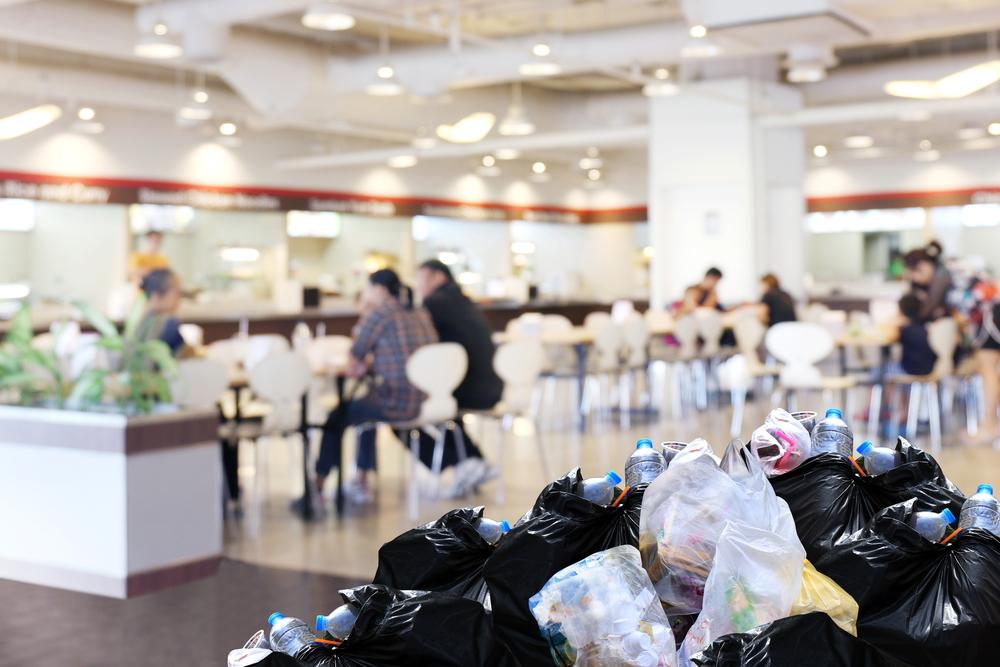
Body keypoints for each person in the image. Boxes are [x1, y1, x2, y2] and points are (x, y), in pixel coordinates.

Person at [311, 269, 437, 507]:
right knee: (365, 406)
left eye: (367, 288)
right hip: (429, 397)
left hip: (398, 400)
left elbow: (354, 362)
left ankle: (318, 483)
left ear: (378, 289)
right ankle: (361, 477)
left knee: (338, 415)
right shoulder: (419, 311)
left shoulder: (380, 314)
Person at [413, 259, 502, 496]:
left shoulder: (434, 303)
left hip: (467, 388)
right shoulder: (464, 300)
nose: (418, 285)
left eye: (421, 278)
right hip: (492, 385)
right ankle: (474, 462)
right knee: (441, 407)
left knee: (418, 405)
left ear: (438, 276)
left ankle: (462, 464)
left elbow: (425, 346)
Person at [136, 268, 185, 355]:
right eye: (177, 292)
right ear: (157, 295)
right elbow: (181, 354)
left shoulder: (140, 321)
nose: (179, 298)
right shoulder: (169, 324)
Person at [904, 248, 952, 322]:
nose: (915, 278)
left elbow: (927, 308)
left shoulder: (941, 275)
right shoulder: (922, 283)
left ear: (927, 263)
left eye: (917, 271)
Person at [897, 292, 937, 377]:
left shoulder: (906, 331)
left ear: (901, 311)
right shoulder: (927, 325)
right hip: (931, 367)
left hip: (911, 370)